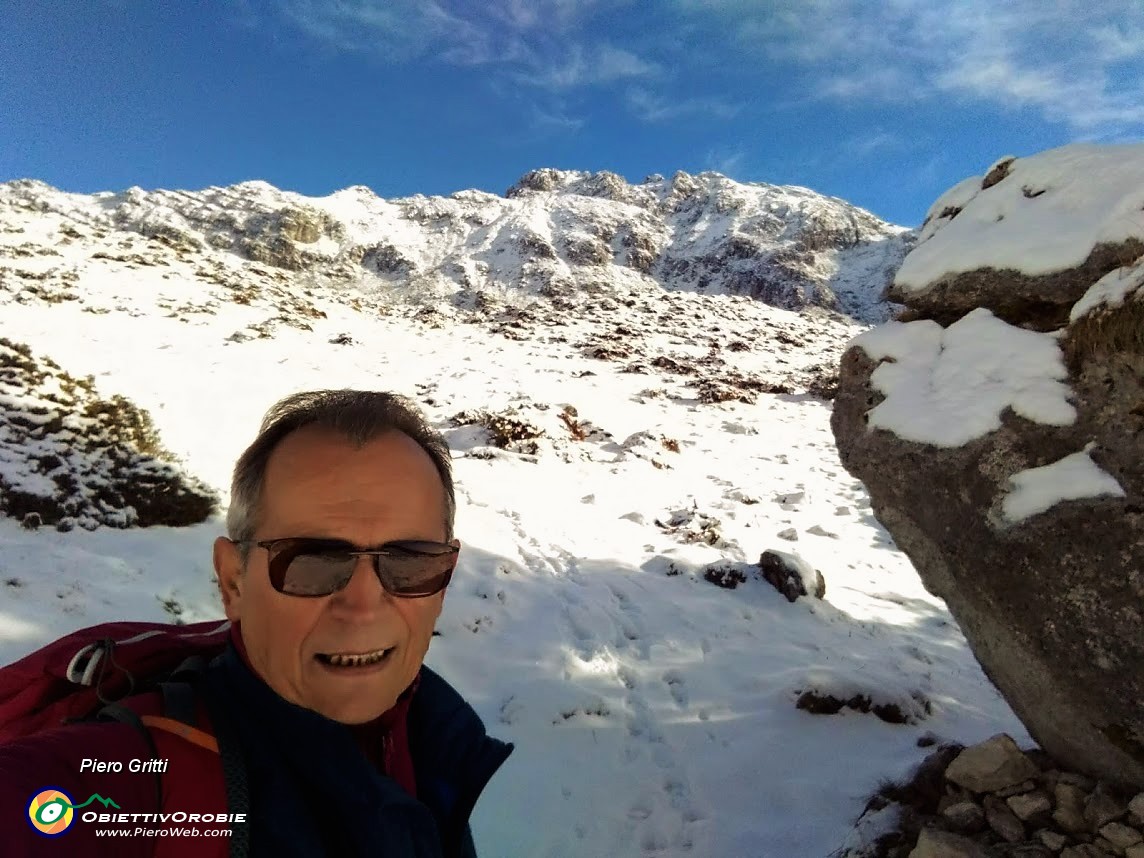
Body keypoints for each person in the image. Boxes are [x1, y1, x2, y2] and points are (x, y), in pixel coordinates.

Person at [0, 390, 513, 857]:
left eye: (410, 561)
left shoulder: (436, 740)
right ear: (234, 582)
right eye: (311, 561)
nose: (363, 605)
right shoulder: (136, 777)